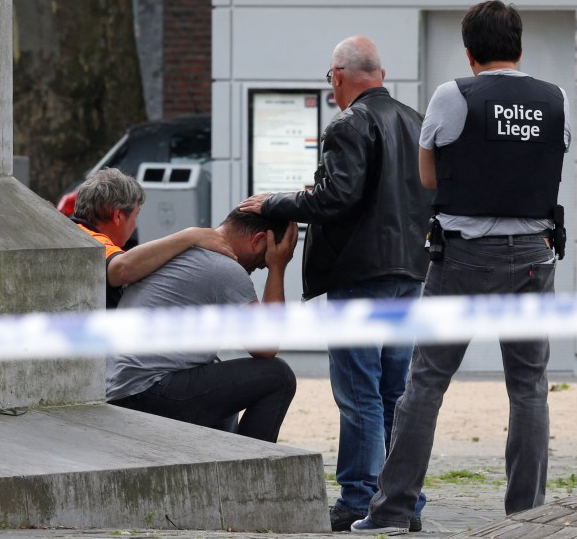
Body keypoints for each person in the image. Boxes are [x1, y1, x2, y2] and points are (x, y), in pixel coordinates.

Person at [352, 0, 572, 535]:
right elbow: (552, 158)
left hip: (464, 256)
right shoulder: (554, 98)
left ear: (470, 52)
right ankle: (527, 515)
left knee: (426, 382)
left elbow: (429, 178)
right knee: (528, 387)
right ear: (519, 47)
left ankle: (393, 510)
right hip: (533, 258)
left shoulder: (455, 95)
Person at [239, 36, 431, 531]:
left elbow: (337, 198)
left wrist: (274, 204)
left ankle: (359, 499)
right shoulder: (415, 122)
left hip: (360, 274)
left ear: (340, 76)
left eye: (331, 80)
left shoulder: (349, 123)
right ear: (381, 76)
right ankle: (402, 502)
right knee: (395, 393)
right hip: (410, 272)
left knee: (359, 392)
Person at [106, 208, 299, 443]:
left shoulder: (177, 252)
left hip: (121, 387)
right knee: (278, 376)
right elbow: (265, 347)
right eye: (262, 263)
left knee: (221, 380)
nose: (260, 267)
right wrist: (278, 268)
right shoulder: (224, 268)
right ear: (259, 241)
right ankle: (251, 469)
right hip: (146, 391)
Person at [72, 167, 235, 308]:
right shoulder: (94, 241)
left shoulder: (73, 232)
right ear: (119, 216)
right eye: (135, 216)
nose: (135, 225)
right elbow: (121, 269)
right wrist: (191, 236)